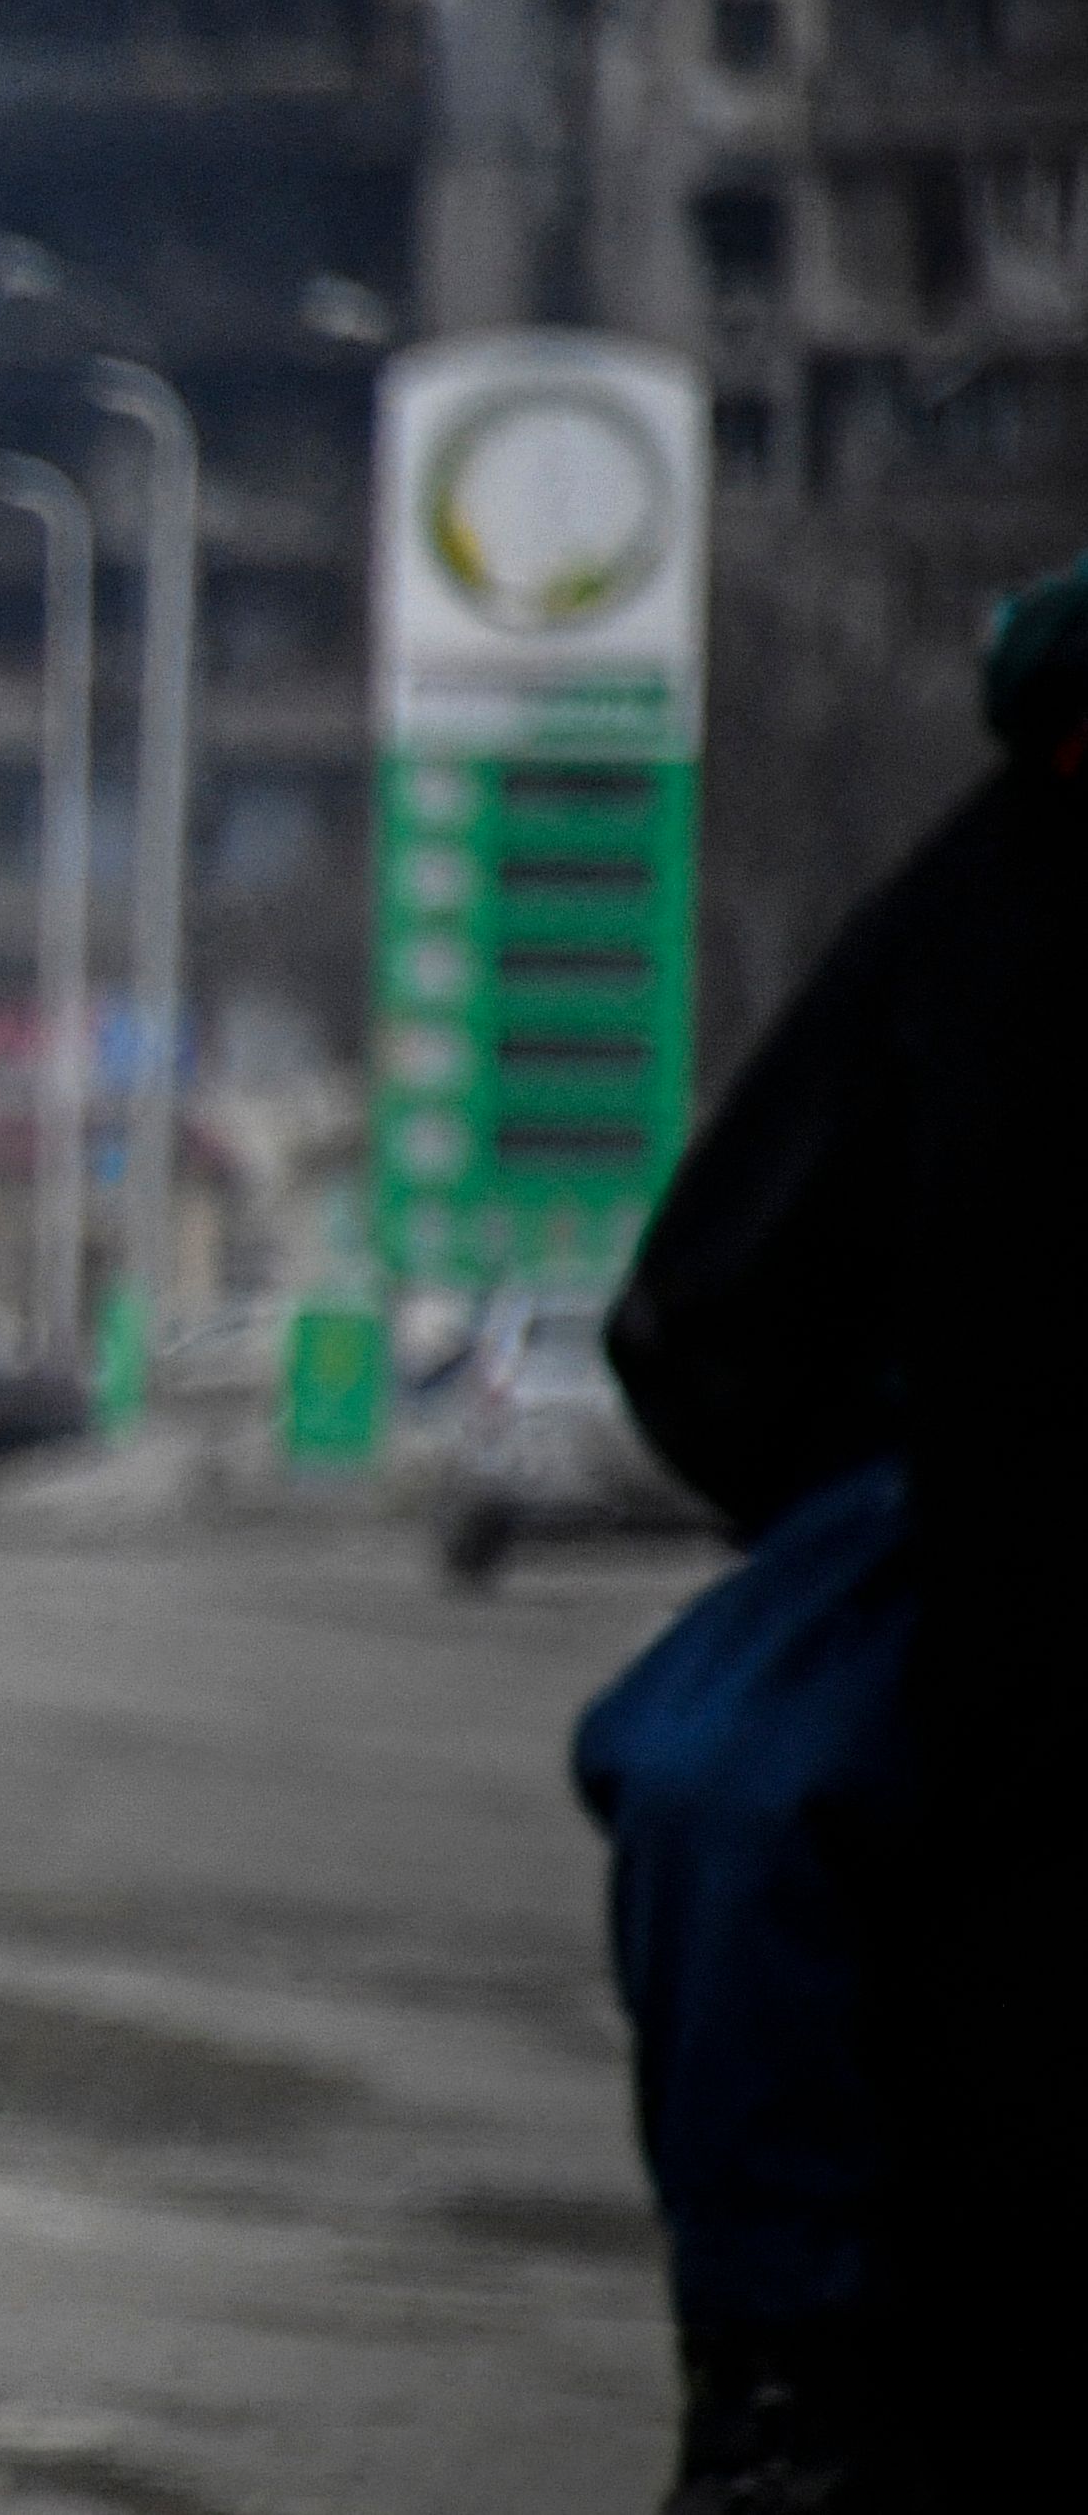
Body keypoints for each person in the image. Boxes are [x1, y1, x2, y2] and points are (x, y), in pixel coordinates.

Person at [580, 544, 1088, 2512]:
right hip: (977, 1513)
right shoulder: (998, 903)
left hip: (963, 1524)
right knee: (711, 1771)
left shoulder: (990, 884)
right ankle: (770, 2358)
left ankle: (772, 2365)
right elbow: (718, 1298)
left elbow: (707, 1311)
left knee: (722, 1778)